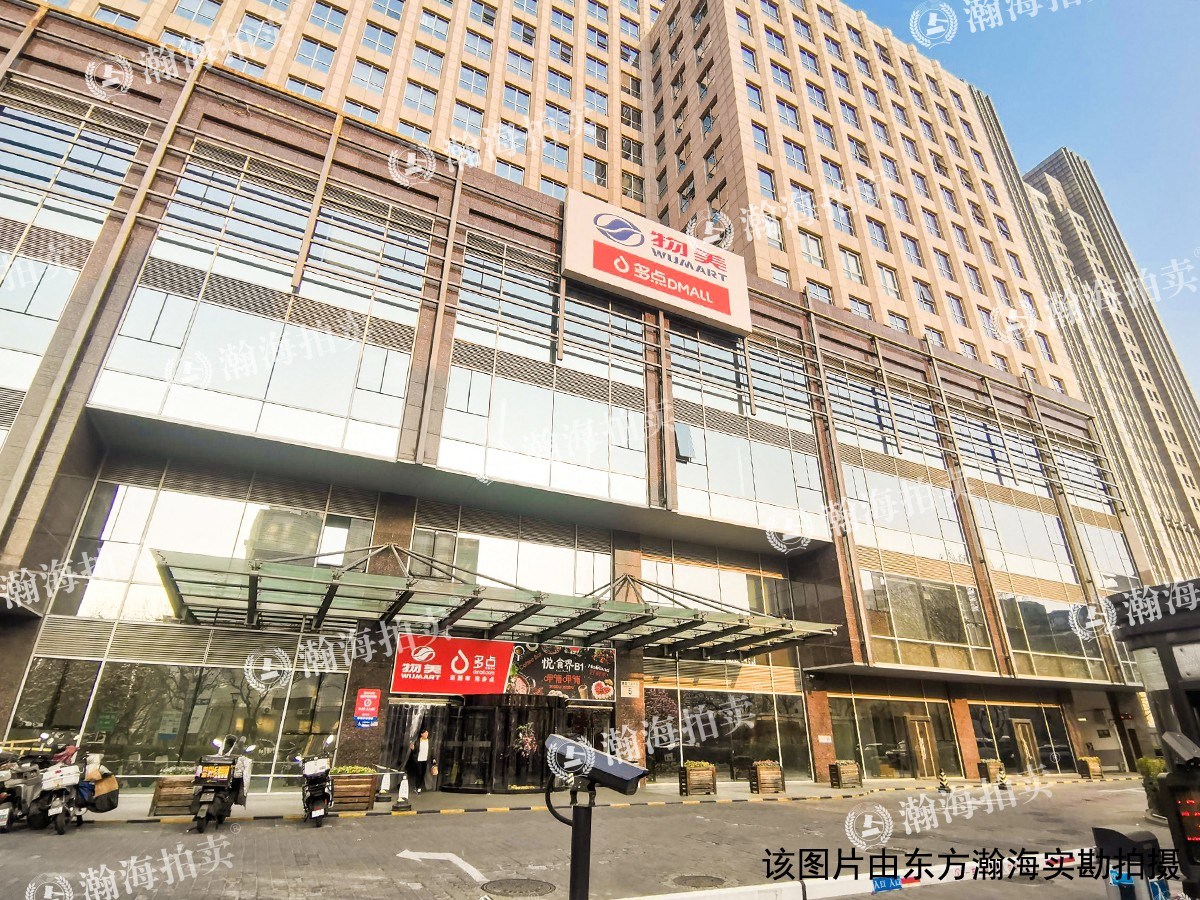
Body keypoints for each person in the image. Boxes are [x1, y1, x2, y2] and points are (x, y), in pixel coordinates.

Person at [409, 729, 431, 793]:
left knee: (423, 774)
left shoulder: (429, 741)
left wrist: (433, 759)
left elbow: (431, 751)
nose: (426, 734)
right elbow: (415, 751)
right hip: (418, 760)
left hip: (425, 760)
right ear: (421, 734)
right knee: (419, 773)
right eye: (425, 733)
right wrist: (413, 749)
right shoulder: (418, 741)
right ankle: (417, 786)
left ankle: (419, 786)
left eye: (427, 733)